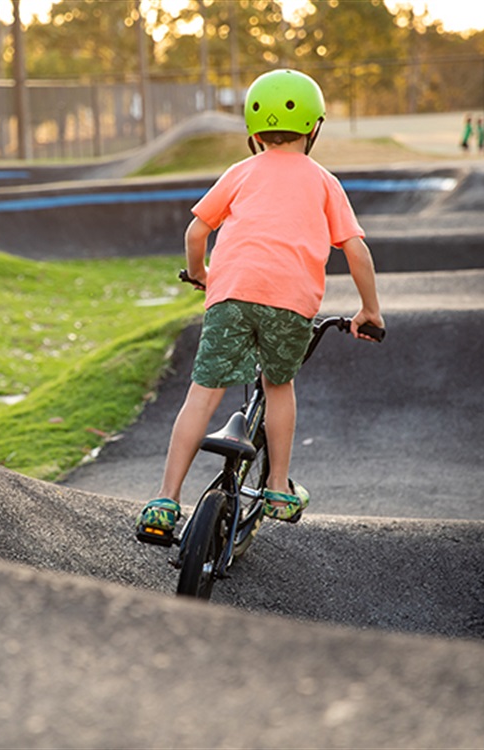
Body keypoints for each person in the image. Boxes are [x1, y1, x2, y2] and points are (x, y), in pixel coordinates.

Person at [135, 69, 384, 543]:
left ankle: (164, 501)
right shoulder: (324, 182)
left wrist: (202, 274)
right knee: (278, 385)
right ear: (315, 128)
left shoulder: (240, 173)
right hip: (290, 305)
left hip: (230, 294)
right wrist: (370, 310)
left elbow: (195, 233)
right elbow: (355, 250)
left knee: (202, 394)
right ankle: (276, 489)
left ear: (252, 130)